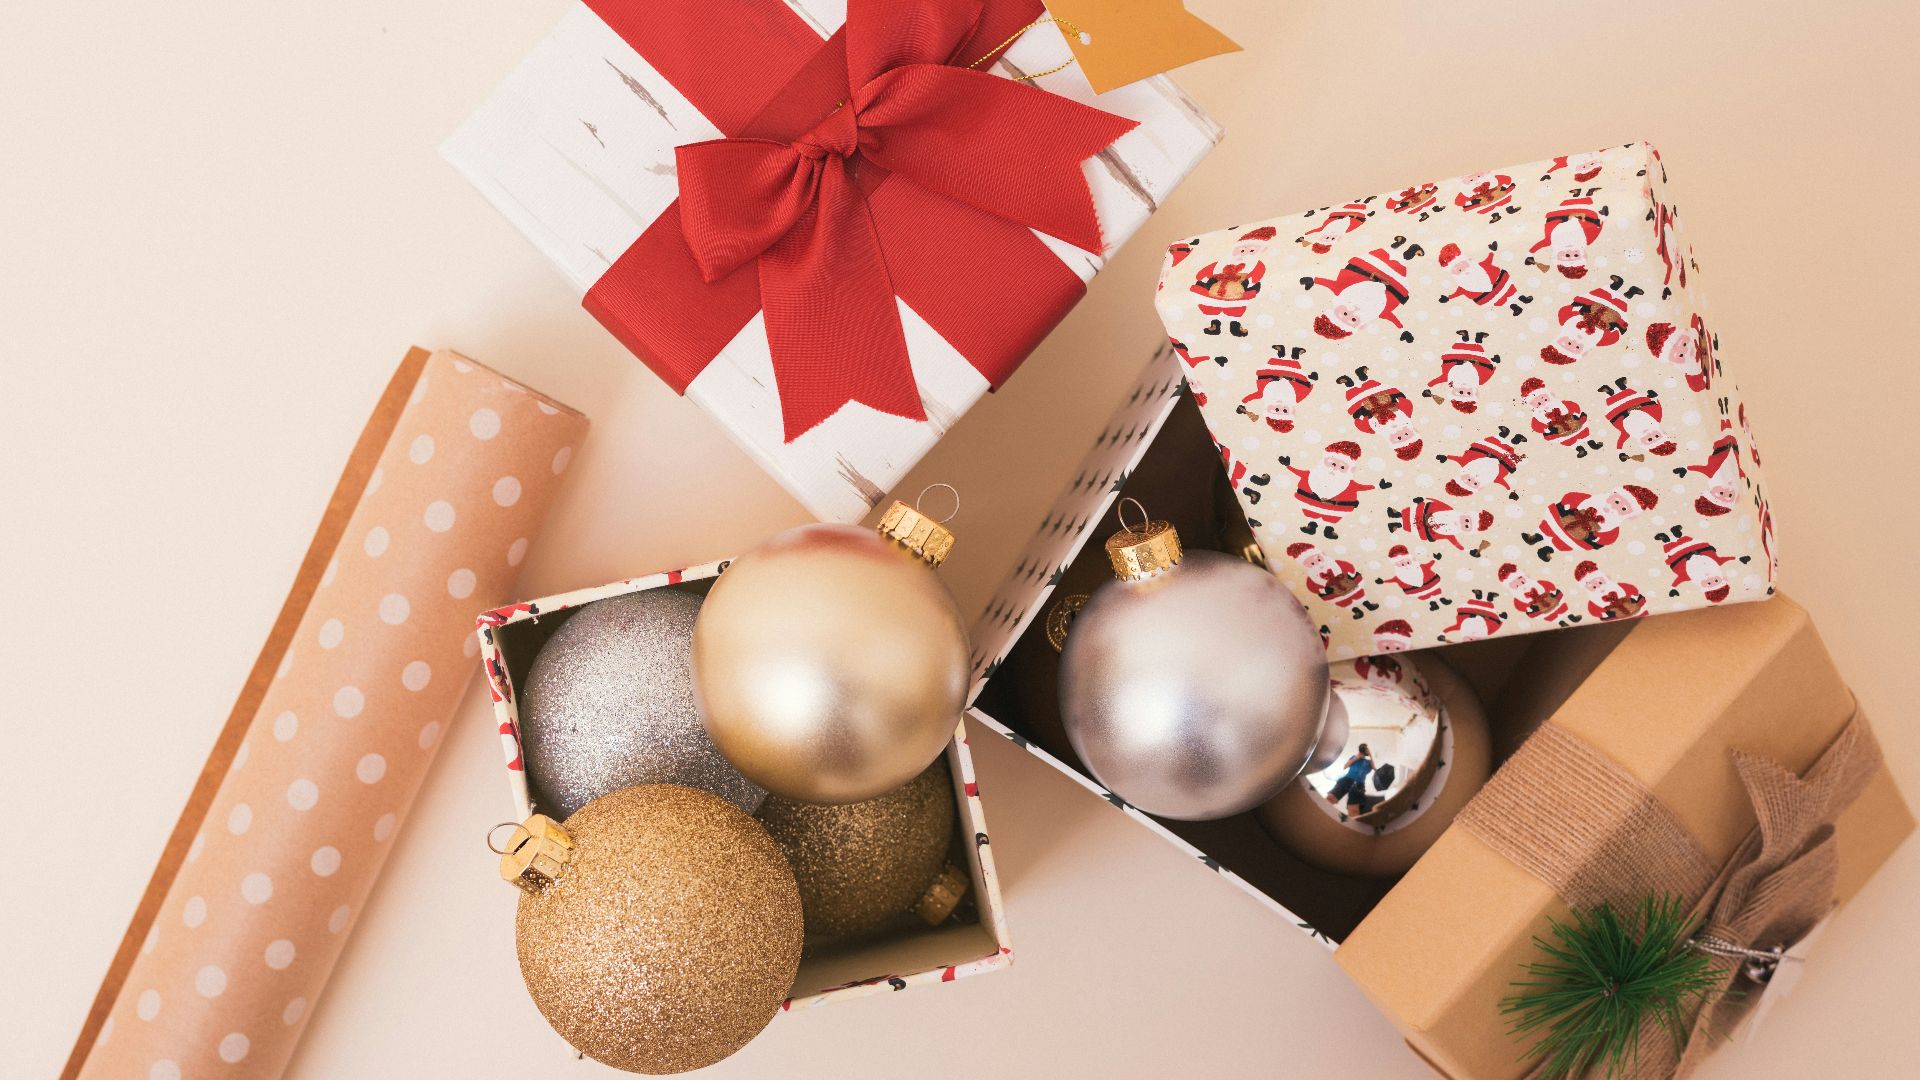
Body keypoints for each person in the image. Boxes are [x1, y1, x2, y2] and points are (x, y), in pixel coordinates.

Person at [1325, 743, 1375, 815]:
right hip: (1347, 779)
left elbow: (1374, 768)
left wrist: (1370, 755)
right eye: (1363, 748)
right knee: (1331, 798)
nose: (1364, 750)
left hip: (1359, 785)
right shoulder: (1354, 757)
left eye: (1366, 749)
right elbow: (1345, 766)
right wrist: (1357, 758)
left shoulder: (1369, 762)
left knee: (1354, 810)